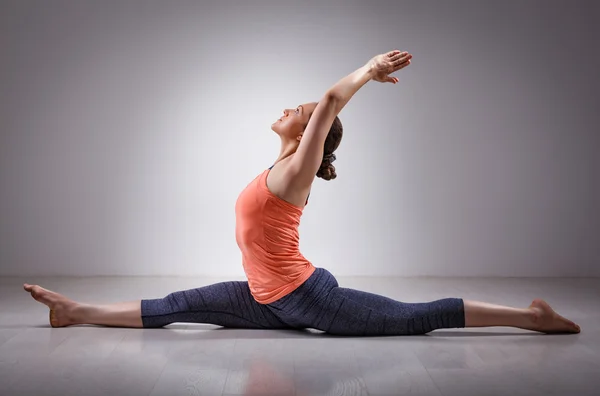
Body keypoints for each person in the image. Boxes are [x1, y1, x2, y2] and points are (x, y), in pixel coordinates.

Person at [24, 49, 580, 335]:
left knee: (413, 317)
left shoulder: (298, 172)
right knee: (177, 307)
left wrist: (368, 69)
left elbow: (330, 102)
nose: (292, 108)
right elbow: (321, 109)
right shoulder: (279, 166)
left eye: (303, 112)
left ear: (311, 134)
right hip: (268, 296)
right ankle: (73, 312)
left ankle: (533, 318)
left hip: (308, 298)